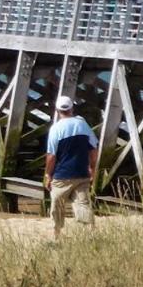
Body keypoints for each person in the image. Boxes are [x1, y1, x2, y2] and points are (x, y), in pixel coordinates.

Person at [44, 95, 98, 240]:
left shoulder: (55, 129)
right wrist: (92, 168)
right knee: (83, 204)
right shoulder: (83, 125)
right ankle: (90, 235)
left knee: (57, 206)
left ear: (57, 110)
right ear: (72, 108)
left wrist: (48, 175)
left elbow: (51, 156)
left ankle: (56, 235)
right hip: (81, 173)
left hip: (62, 175)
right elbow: (93, 149)